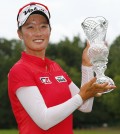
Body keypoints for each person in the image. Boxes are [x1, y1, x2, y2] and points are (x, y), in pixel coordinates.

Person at [8, 2, 116, 134]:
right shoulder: (19, 70)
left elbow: (85, 106)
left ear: (50, 31)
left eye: (43, 26)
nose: (38, 33)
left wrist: (87, 65)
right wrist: (82, 96)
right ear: (20, 34)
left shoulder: (54, 67)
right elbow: (44, 120)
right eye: (30, 27)